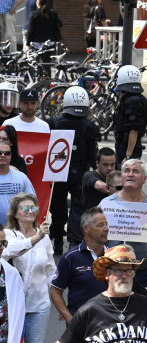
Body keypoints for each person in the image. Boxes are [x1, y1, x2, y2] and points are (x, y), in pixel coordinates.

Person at [1, 194, 54, 343]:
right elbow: (10, 251)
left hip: (39, 303)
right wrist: (38, 236)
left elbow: (50, 268)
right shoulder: (7, 235)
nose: (31, 211)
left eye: (33, 207)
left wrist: (45, 289)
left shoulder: (44, 237)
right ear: (15, 214)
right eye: (25, 208)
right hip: (12, 305)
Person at [48, 86, 100, 252]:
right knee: (78, 208)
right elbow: (94, 153)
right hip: (81, 173)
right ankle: (73, 243)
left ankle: (56, 238)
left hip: (57, 170)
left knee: (57, 206)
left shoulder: (54, 123)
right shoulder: (89, 125)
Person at [50, 208, 109, 343]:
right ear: (86, 228)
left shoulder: (114, 257)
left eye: (107, 224)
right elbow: (56, 291)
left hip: (111, 325)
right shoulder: (70, 258)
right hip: (82, 327)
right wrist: (70, 320)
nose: (106, 229)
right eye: (100, 225)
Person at [103, 158, 147, 285]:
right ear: (122, 177)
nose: (130, 174)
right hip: (113, 270)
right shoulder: (106, 204)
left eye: (135, 171)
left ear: (144, 179)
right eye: (126, 171)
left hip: (143, 272)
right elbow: (94, 236)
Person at [113, 65, 147, 164]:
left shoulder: (133, 101)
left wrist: (128, 156)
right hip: (125, 144)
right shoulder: (135, 98)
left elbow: (134, 130)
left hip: (127, 146)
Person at [82, 148, 118, 213]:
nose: (109, 168)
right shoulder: (89, 175)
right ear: (97, 163)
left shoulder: (117, 178)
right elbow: (100, 186)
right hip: (92, 219)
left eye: (112, 164)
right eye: (105, 164)